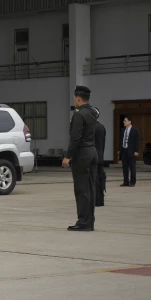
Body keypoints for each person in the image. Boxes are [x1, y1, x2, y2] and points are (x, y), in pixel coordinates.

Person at [62, 86, 98, 232]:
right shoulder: (92, 112)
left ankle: (83, 221)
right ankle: (90, 221)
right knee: (90, 188)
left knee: (81, 189)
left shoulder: (79, 115)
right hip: (92, 151)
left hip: (82, 154)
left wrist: (67, 156)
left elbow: (75, 138)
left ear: (78, 98)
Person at [118, 116, 140, 187]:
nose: (124, 122)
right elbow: (121, 140)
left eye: (125, 121)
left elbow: (137, 141)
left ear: (130, 121)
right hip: (124, 150)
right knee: (124, 167)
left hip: (131, 151)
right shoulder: (122, 130)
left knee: (132, 167)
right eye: (124, 121)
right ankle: (126, 181)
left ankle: (132, 182)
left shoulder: (135, 130)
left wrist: (136, 150)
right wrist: (119, 150)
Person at [94, 107, 107, 207]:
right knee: (101, 177)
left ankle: (96, 200)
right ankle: (101, 199)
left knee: (94, 179)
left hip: (92, 156)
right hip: (100, 155)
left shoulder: (90, 127)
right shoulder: (101, 127)